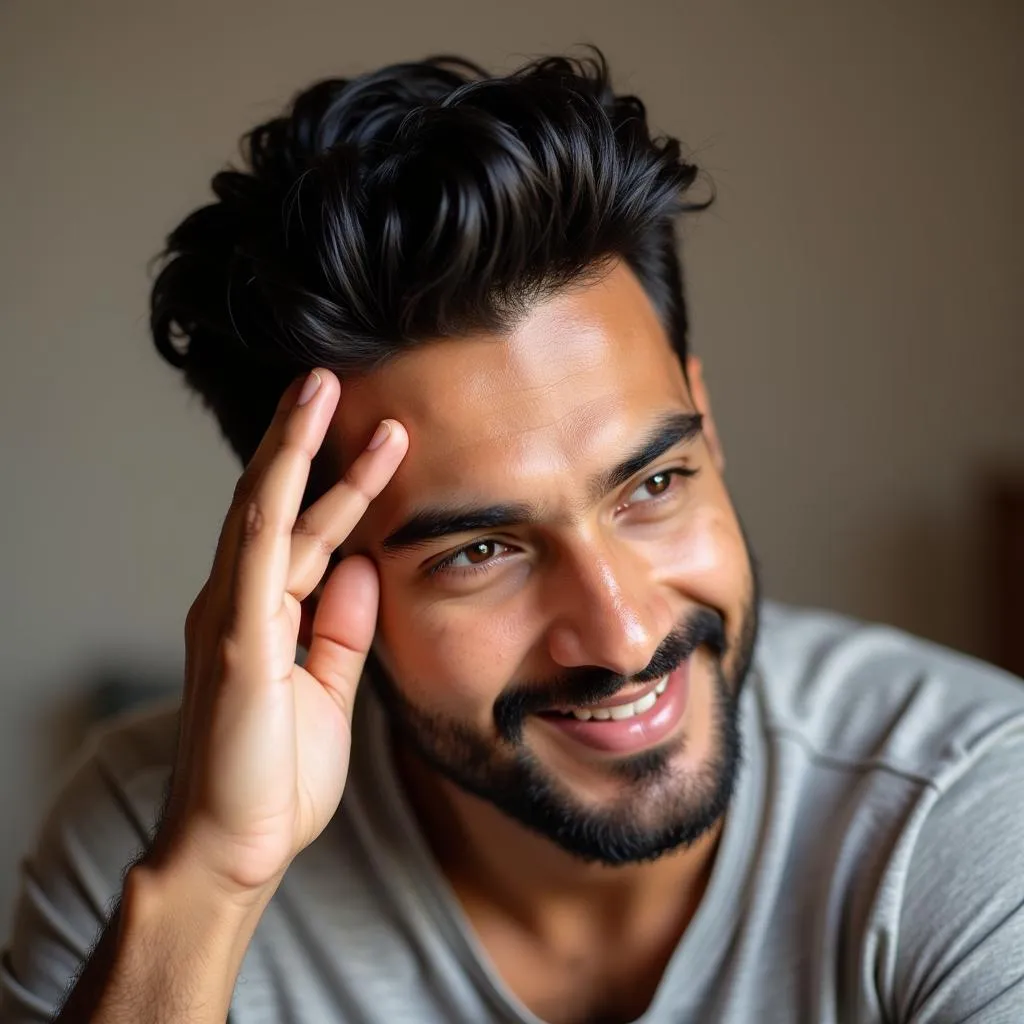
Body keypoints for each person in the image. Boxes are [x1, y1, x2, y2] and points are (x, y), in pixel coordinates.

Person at [2, 50, 1023, 1024]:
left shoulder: (967, 801)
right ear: (310, 577)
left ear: (705, 424)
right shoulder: (152, 834)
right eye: (479, 551)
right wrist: (210, 885)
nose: (620, 635)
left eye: (654, 482)